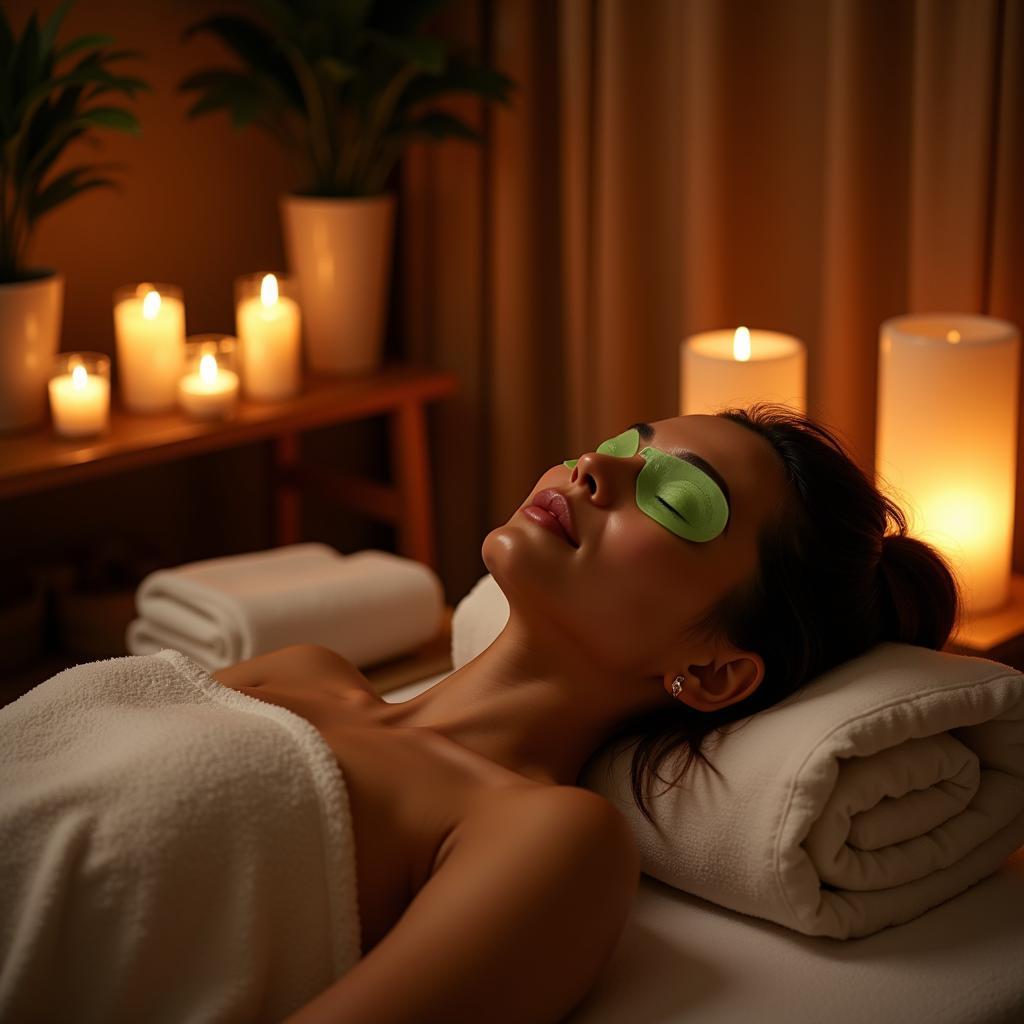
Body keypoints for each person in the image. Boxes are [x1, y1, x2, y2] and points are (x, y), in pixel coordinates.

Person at [210, 402, 962, 1023]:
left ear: (710, 672)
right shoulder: (300, 670)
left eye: (675, 500)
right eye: (618, 446)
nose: (593, 469)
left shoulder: (548, 838)